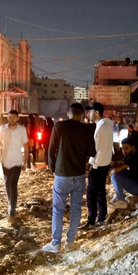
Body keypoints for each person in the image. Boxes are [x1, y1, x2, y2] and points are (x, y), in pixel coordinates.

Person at [43, 103, 96, 253]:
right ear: (83, 115)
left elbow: (51, 148)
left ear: (68, 113)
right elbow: (92, 151)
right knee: (76, 209)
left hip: (62, 174)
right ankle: (70, 242)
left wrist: (53, 168)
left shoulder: (59, 126)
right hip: (79, 174)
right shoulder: (86, 128)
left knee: (58, 210)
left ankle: (56, 243)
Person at [80, 102, 114, 230]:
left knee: (91, 192)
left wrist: (93, 165)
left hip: (99, 164)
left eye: (90, 111)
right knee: (99, 190)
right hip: (103, 163)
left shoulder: (102, 127)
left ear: (96, 112)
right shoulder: (105, 125)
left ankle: (92, 219)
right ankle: (101, 216)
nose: (88, 114)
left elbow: (98, 149)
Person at [0, 110, 29, 223]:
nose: (12, 119)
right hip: (5, 160)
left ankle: (12, 209)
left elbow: (26, 145)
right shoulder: (2, 129)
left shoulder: (22, 129)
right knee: (7, 183)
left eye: (14, 117)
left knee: (13, 183)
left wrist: (25, 162)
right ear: (7, 118)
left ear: (17, 118)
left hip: (17, 160)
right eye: (10, 117)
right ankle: (10, 203)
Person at [109, 137, 138, 209]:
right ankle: (118, 196)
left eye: (126, 148)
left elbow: (114, 171)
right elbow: (120, 163)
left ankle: (121, 202)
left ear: (133, 147)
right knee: (120, 172)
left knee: (114, 176)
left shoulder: (134, 158)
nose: (124, 151)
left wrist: (110, 169)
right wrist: (116, 163)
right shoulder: (131, 156)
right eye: (122, 148)